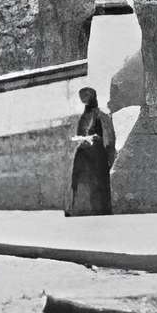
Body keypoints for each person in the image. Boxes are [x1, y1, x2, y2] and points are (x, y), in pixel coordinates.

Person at [69, 85, 116, 217]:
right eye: (82, 97)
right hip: (84, 157)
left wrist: (108, 157)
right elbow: (80, 134)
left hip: (97, 157)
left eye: (85, 96)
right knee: (82, 185)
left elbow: (109, 138)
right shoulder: (84, 117)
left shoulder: (101, 116)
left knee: (98, 188)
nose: (83, 99)